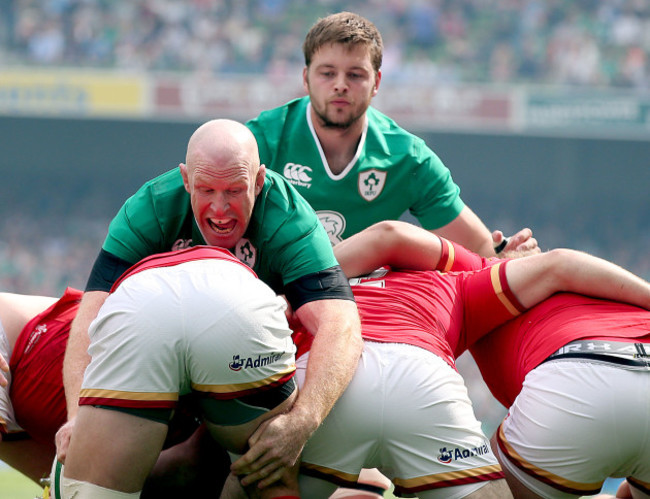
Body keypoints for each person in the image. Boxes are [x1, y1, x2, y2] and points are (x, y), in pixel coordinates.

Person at [57, 118, 363, 492]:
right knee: (101, 471)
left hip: (248, 360)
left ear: (259, 180)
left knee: (268, 460)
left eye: (235, 190)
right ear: (186, 180)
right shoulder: (150, 207)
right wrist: (76, 417)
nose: (220, 209)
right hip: (160, 354)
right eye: (206, 190)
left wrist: (303, 421)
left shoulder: (289, 217)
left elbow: (341, 323)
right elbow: (92, 316)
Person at [332, 221, 650, 499]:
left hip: (579, 377)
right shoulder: (602, 291)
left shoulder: (481, 274)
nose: (527, 241)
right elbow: (561, 263)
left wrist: (300, 277)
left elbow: (390, 235)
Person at [246, 11, 537, 256]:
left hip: (363, 302)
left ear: (376, 82)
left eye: (355, 75)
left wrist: (508, 254)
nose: (340, 85)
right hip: (270, 298)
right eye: (327, 73)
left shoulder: (407, 158)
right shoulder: (260, 141)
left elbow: (481, 250)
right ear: (306, 79)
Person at [55, 245, 304, 498]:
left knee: (93, 490)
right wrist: (305, 419)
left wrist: (76, 415)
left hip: (141, 305)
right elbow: (337, 321)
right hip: (239, 303)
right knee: (269, 476)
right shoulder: (288, 218)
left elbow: (87, 317)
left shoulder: (142, 216)